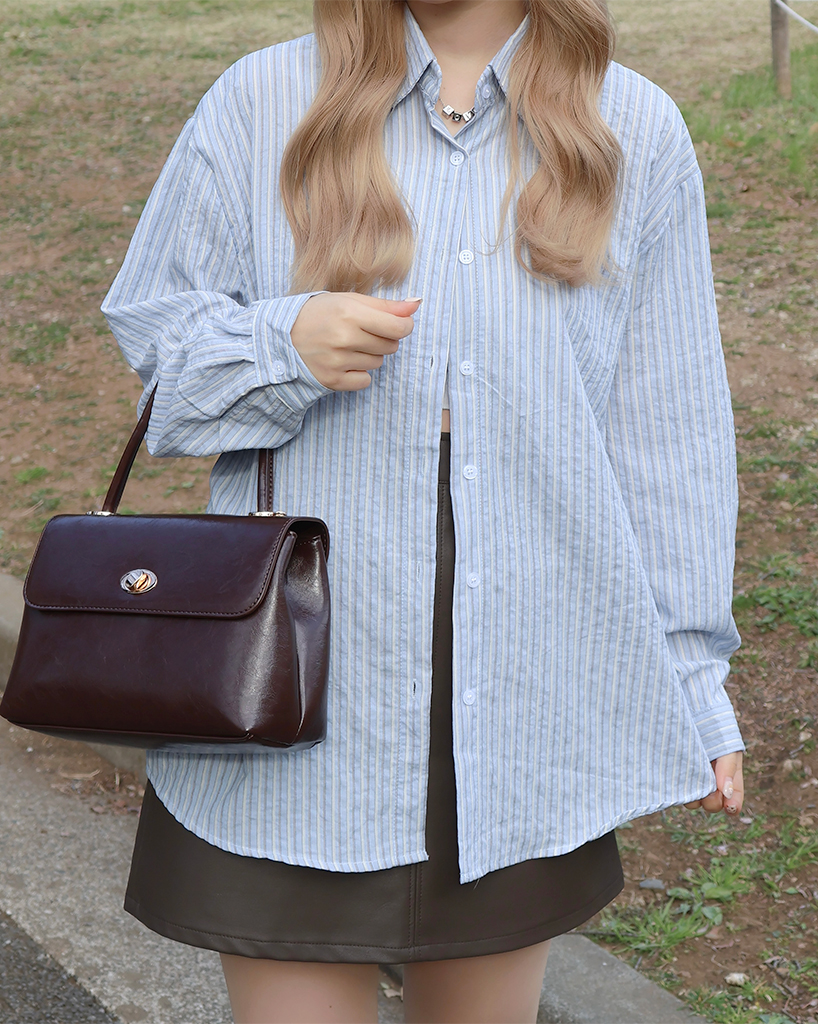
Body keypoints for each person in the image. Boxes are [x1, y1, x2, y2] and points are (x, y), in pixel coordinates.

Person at [101, 1, 746, 1021]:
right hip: (296, 678)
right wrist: (283, 346)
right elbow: (161, 376)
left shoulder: (631, 126)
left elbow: (667, 435)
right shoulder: (260, 100)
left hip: (528, 684)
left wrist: (691, 676)